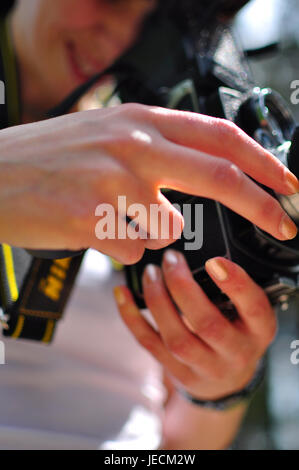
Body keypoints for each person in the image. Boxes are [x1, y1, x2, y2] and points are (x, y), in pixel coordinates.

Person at [0, 0, 297, 449]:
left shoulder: (168, 154)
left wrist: (219, 386)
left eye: (158, 19)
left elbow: (178, 448)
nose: (122, 37)